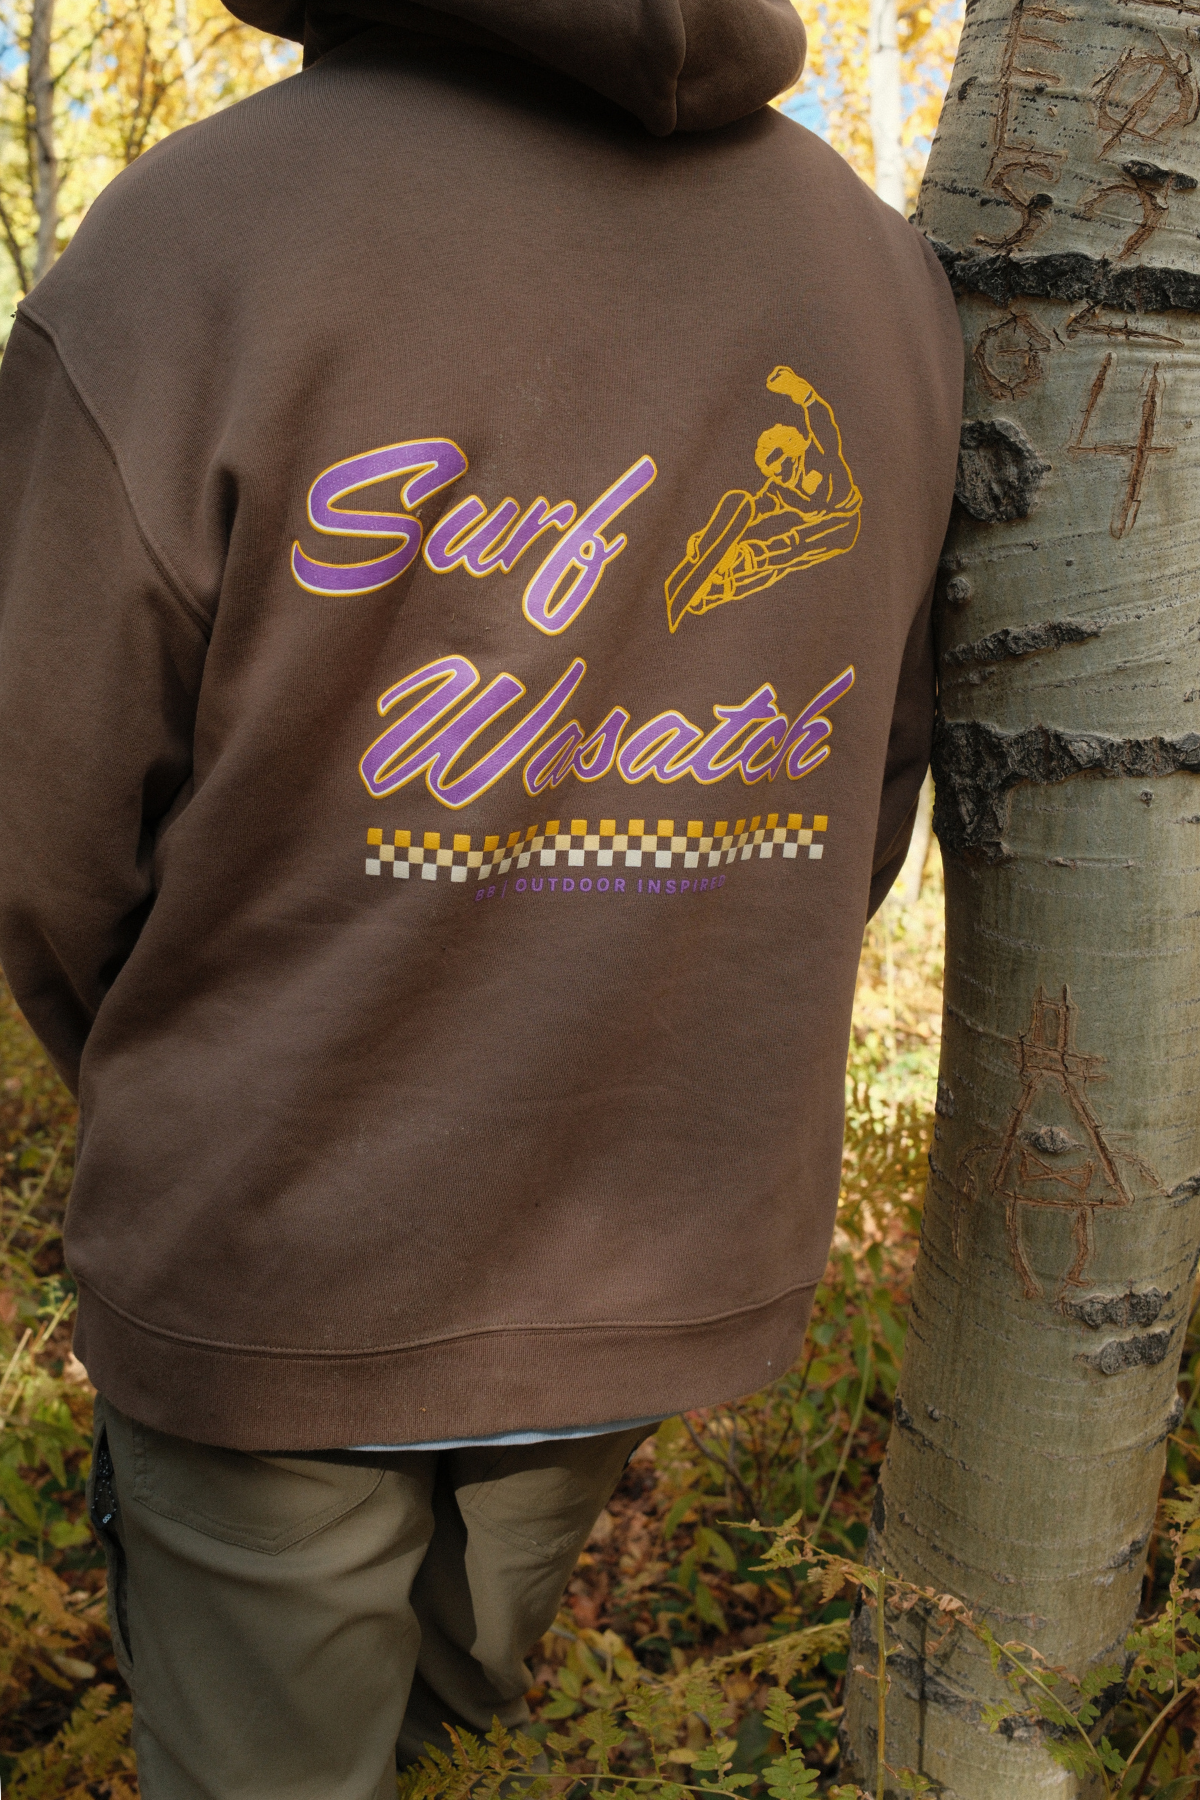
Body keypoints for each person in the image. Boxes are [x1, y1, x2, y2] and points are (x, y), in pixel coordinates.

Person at [0, 1, 963, 1793]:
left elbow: (42, 822)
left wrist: (210, 1079)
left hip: (281, 1258)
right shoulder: (876, 269)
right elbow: (871, 788)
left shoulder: (194, 238)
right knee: (444, 1726)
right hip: (652, 1241)